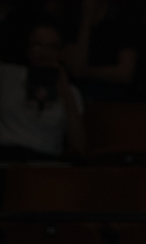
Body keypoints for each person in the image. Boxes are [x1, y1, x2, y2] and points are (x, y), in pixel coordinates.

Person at [0, 24, 84, 161]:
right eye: (37, 45)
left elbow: (79, 146)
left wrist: (65, 93)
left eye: (52, 46)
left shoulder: (70, 91)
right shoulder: (7, 75)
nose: (44, 52)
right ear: (28, 50)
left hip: (44, 160)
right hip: (5, 156)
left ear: (60, 52)